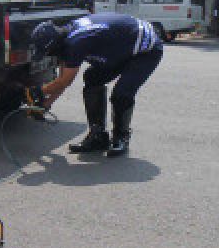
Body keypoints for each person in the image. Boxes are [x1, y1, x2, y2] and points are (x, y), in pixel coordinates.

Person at [30, 12, 163, 157]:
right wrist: (45, 104)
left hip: (146, 50)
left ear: (55, 46)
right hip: (122, 46)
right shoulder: (66, 34)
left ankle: (121, 137)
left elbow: (65, 81)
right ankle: (98, 136)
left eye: (48, 52)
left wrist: (40, 91)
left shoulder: (76, 43)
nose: (49, 56)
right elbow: (63, 81)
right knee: (92, 77)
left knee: (121, 94)